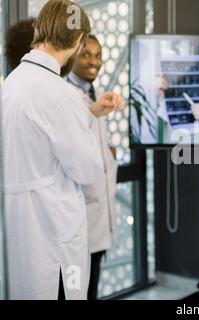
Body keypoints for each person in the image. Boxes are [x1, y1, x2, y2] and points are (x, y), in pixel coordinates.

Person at [1, 0, 123, 300]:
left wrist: (88, 114)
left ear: (40, 29)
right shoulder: (62, 94)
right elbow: (87, 169)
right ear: (79, 40)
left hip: (21, 231)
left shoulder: (12, 84)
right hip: (54, 233)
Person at [66, 35, 118, 300]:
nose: (94, 61)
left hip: (97, 218)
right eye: (86, 54)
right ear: (71, 54)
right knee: (75, 290)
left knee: (91, 287)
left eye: (98, 55)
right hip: (79, 219)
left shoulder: (92, 94)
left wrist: (109, 153)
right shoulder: (66, 96)